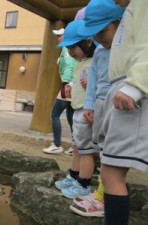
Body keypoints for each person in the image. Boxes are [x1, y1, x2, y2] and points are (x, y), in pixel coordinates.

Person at [67, 0, 125, 217]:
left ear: (119, 23)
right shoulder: (101, 51)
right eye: (95, 33)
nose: (99, 37)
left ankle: (101, 195)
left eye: (103, 31)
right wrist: (90, 104)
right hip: (99, 104)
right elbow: (92, 82)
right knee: (102, 150)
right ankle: (99, 193)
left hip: (118, 103)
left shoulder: (125, 48)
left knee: (110, 156)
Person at [96, 1, 146, 224]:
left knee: (111, 173)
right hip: (125, 86)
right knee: (111, 171)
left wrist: (136, 85)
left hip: (133, 89)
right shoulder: (130, 7)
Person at [53, 20, 97, 199]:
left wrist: (91, 84)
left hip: (87, 111)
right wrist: (71, 85)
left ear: (87, 42)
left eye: (73, 48)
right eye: (68, 49)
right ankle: (74, 175)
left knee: (86, 150)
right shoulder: (83, 61)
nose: (70, 52)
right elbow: (78, 77)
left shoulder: (96, 61)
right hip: (78, 108)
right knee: (77, 147)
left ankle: (84, 184)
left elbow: (101, 82)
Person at [42, 27, 77, 155]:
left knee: (54, 114)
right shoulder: (71, 47)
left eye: (60, 35)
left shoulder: (66, 48)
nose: (58, 38)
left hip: (68, 86)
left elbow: (69, 67)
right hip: (74, 86)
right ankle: (75, 146)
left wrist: (64, 85)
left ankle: (57, 144)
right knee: (71, 118)